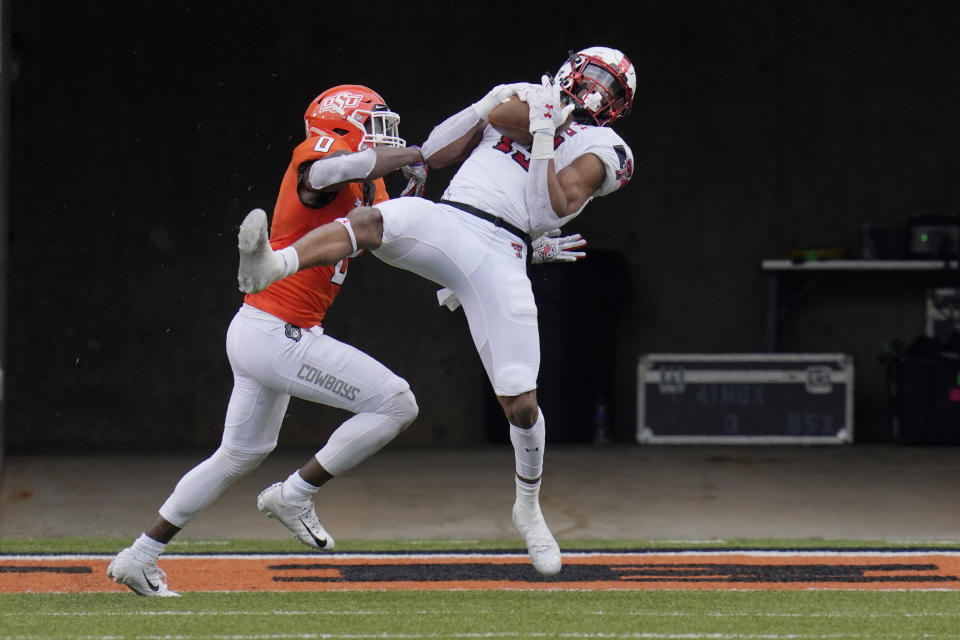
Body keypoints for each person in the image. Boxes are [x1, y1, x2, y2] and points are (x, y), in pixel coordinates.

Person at [237, 46, 636, 577]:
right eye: (594, 76)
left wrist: (541, 135)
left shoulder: (607, 147)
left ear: (618, 107)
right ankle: (274, 264)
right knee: (380, 218)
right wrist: (486, 106)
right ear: (571, 66)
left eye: (610, 88)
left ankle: (528, 507)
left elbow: (548, 209)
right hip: (452, 221)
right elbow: (433, 154)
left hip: (507, 252)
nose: (595, 90)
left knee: (521, 403)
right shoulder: (528, 97)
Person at [107, 85, 427, 596]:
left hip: (260, 329)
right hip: (280, 333)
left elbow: (402, 237)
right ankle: (295, 494)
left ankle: (139, 555)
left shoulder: (369, 186)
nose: (385, 133)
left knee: (238, 453)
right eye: (373, 121)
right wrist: (404, 156)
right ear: (343, 124)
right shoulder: (319, 162)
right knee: (395, 403)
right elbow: (324, 174)